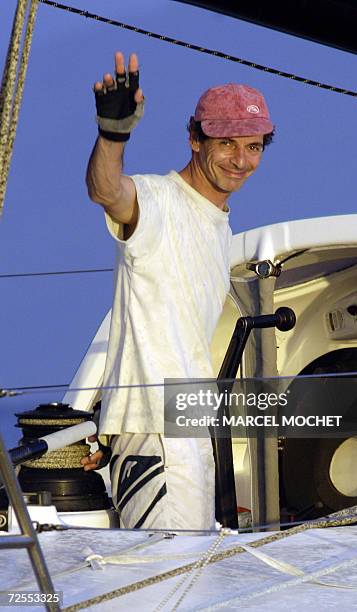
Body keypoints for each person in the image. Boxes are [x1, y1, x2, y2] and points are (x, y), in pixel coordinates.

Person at [81, 51, 274, 530]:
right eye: (226, 142)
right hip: (156, 431)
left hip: (185, 426)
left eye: (253, 146)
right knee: (163, 583)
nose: (240, 159)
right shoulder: (161, 201)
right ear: (194, 138)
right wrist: (112, 135)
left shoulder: (218, 225)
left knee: (185, 577)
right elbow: (108, 191)